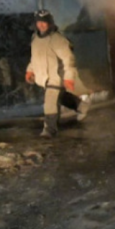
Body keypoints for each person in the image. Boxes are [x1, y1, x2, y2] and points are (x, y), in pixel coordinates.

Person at [25, 10, 89, 138]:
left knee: (50, 102)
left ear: (50, 23)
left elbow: (68, 59)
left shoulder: (57, 39)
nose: (41, 25)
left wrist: (69, 77)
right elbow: (35, 58)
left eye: (44, 22)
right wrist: (30, 70)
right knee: (60, 97)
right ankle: (81, 106)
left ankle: (49, 129)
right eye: (39, 22)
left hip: (56, 76)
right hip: (44, 77)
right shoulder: (35, 38)